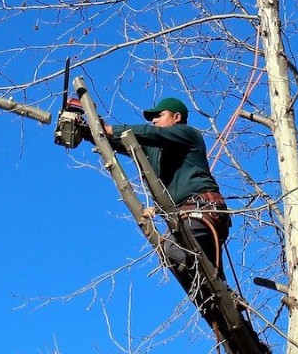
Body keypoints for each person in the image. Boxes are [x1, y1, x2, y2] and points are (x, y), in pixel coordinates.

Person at [81, 97, 231, 278]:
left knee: (170, 249)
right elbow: (124, 143)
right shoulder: (154, 150)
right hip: (185, 218)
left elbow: (149, 133)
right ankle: (217, 298)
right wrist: (89, 131)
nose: (154, 121)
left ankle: (210, 285)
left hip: (203, 210)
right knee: (203, 283)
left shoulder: (187, 134)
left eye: (159, 115)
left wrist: (112, 129)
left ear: (176, 117)